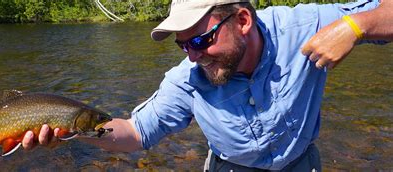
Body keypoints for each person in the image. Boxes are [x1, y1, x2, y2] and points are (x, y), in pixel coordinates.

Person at [22, 0, 392, 171]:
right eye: (182, 44)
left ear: (242, 20)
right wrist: (76, 131)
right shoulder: (187, 79)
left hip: (301, 164)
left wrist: (357, 27)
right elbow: (135, 133)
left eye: (199, 41)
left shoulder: (306, 25)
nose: (192, 56)